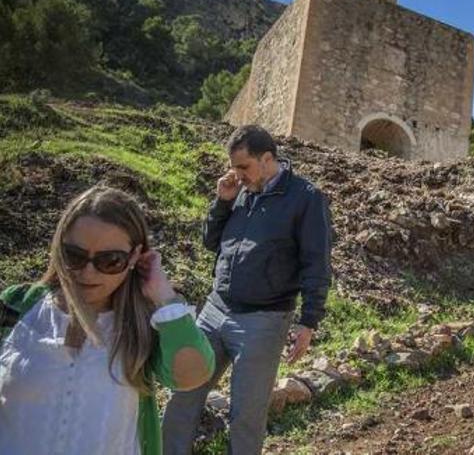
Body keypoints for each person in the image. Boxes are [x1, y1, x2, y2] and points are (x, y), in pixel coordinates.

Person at [0, 186, 215, 455]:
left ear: (135, 256)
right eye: (74, 256)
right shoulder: (16, 306)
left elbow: (192, 376)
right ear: (58, 248)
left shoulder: (146, 323)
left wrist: (164, 296)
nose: (88, 272)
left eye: (110, 261)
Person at [163, 124, 333, 454]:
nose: (237, 175)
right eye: (234, 167)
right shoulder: (239, 191)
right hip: (214, 312)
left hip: (263, 321)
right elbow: (211, 242)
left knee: (246, 416)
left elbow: (317, 262)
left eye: (244, 166)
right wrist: (222, 202)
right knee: (182, 397)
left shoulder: (306, 198)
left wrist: (308, 321)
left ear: (267, 158)